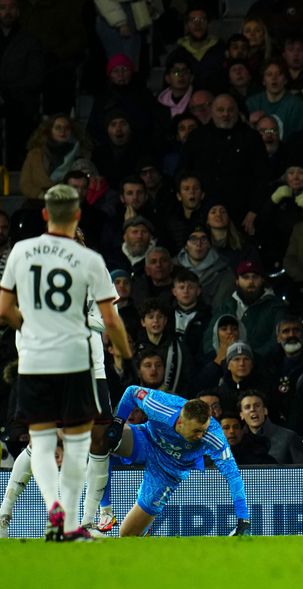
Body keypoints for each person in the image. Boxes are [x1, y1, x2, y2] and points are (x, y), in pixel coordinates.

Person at [0, 184, 133, 541]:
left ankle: (82, 522)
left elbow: (108, 316)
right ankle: (7, 512)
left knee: (96, 438)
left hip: (89, 365)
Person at [105, 387, 250, 536]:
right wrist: (118, 422)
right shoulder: (161, 406)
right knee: (104, 435)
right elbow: (132, 392)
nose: (201, 436)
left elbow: (232, 475)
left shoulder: (214, 436)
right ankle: (102, 512)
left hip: (169, 471)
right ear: (180, 422)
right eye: (196, 431)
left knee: (127, 535)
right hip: (146, 440)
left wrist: (243, 519)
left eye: (204, 430)